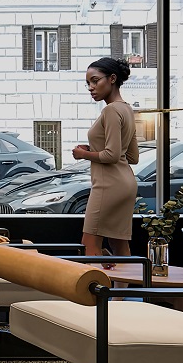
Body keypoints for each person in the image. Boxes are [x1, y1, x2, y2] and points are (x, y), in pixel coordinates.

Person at [72, 57, 140, 268]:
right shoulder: (127, 108)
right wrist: (94, 150)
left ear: (112, 79)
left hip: (108, 185)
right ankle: (118, 298)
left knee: (89, 243)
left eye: (95, 81)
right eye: (88, 83)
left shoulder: (110, 110)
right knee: (119, 243)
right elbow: (132, 157)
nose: (91, 88)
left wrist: (82, 155)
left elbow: (111, 155)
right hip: (126, 184)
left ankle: (99, 298)